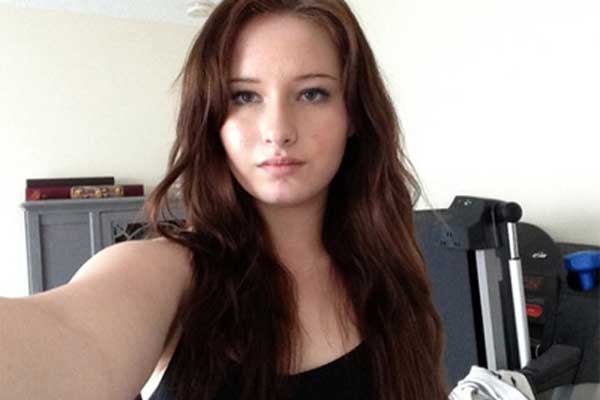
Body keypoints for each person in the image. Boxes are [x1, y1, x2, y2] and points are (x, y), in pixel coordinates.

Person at [0, 0, 448, 399]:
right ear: (212, 119)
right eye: (244, 96)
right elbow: (70, 335)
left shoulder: (392, 271)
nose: (278, 130)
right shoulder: (165, 274)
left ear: (354, 115)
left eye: (312, 93)